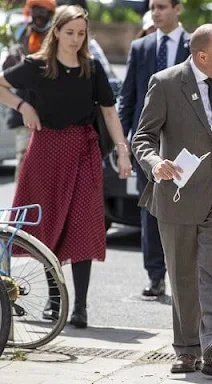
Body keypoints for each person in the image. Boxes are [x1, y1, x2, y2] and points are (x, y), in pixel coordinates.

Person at [132, 24, 212, 376]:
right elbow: (142, 136)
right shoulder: (166, 82)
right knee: (183, 274)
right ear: (201, 57)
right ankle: (187, 349)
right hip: (178, 193)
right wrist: (155, 163)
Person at [0, 5, 132, 328]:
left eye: (81, 33)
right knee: (47, 226)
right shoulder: (37, 66)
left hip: (83, 149)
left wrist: (122, 150)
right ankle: (55, 299)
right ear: (56, 31)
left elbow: (110, 112)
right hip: (45, 149)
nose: (75, 39)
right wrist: (23, 105)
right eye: (69, 32)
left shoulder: (92, 68)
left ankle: (81, 307)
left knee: (84, 224)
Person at [119, 0, 191, 298]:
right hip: (148, 144)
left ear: (178, 8)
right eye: (152, 7)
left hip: (186, 143)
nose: (156, 12)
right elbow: (128, 97)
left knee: (186, 208)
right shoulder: (142, 47)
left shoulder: (194, 44)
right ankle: (155, 275)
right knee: (151, 209)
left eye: (162, 6)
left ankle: (184, 274)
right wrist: (122, 142)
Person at [2, 0, 56, 180]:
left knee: (49, 171)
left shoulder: (57, 37)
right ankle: (22, 207)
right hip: (24, 116)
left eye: (42, 11)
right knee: (24, 164)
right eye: (34, 10)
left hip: (51, 116)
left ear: (50, 14)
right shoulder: (22, 36)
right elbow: (9, 75)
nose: (37, 15)